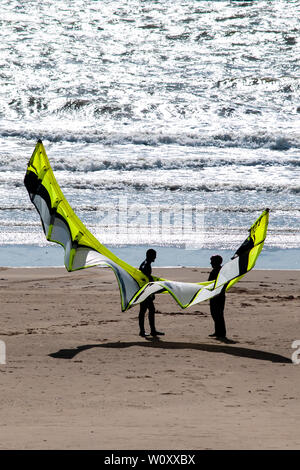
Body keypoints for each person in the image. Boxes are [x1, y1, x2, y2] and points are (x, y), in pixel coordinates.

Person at [138, 249, 164, 338]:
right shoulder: (146, 265)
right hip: (145, 291)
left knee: (146, 310)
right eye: (154, 255)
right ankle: (145, 331)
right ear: (150, 255)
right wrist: (151, 293)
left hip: (143, 291)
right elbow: (147, 280)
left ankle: (150, 330)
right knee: (146, 310)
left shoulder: (145, 264)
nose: (155, 257)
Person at [208, 255, 227, 341]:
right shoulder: (217, 270)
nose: (210, 263)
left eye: (212, 261)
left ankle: (221, 333)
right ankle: (217, 332)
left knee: (218, 314)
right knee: (215, 314)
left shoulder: (220, 271)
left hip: (218, 296)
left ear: (216, 262)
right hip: (214, 295)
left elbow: (224, 283)